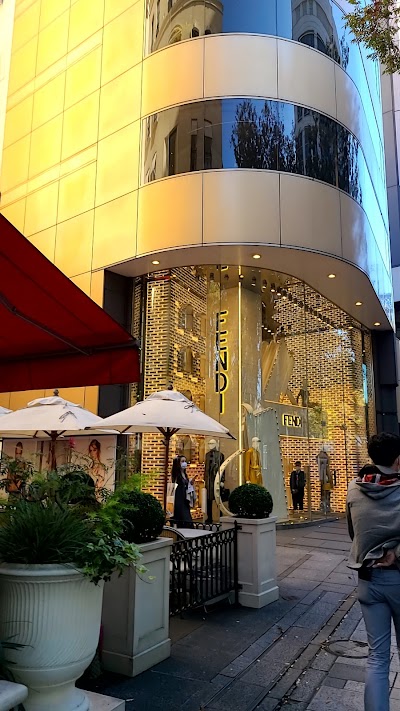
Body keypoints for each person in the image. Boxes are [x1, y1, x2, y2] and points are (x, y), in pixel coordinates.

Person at [346, 433, 400, 711]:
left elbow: (353, 533)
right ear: (397, 459)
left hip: (368, 579)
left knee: (377, 658)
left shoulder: (354, 488)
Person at [171, 455, 195, 527]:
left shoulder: (185, 474)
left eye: (185, 461)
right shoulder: (176, 475)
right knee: (183, 519)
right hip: (179, 499)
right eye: (182, 461)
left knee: (187, 520)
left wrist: (190, 483)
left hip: (185, 500)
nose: (184, 463)